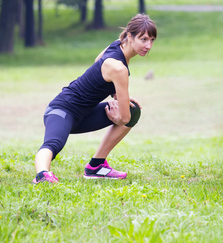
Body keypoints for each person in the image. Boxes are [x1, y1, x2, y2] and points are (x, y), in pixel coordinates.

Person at [33, 13, 157, 184]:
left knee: (133, 109)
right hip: (62, 110)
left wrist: (116, 96)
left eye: (151, 40)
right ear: (129, 36)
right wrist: (118, 117)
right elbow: (124, 118)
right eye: (143, 39)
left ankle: (96, 166)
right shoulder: (118, 67)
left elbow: (98, 61)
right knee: (54, 143)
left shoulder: (117, 46)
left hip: (85, 114)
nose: (148, 45)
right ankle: (42, 175)